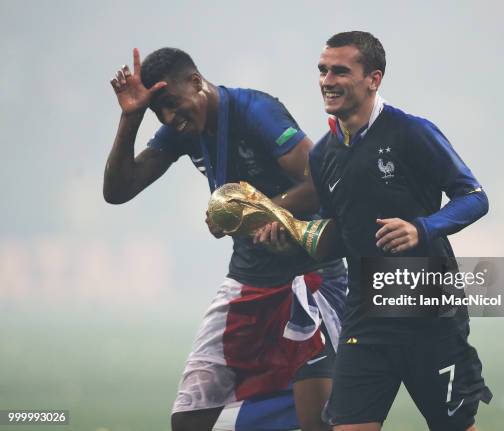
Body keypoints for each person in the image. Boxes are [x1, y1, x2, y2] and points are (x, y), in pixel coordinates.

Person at [105, 47, 346, 431]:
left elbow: (321, 180)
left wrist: (271, 212)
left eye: (171, 104)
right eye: (158, 112)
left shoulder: (256, 112)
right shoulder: (182, 128)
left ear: (197, 83)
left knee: (319, 418)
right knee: (189, 421)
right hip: (249, 283)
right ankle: (324, 408)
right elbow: (119, 190)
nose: (169, 117)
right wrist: (130, 119)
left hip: (310, 279)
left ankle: (331, 406)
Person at [309, 31, 492, 431]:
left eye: (340, 71)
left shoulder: (411, 132)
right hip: (366, 316)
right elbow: (334, 229)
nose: (327, 80)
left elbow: (474, 197)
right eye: (323, 70)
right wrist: (292, 232)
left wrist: (421, 228)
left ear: (373, 79)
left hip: (429, 311)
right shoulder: (321, 154)